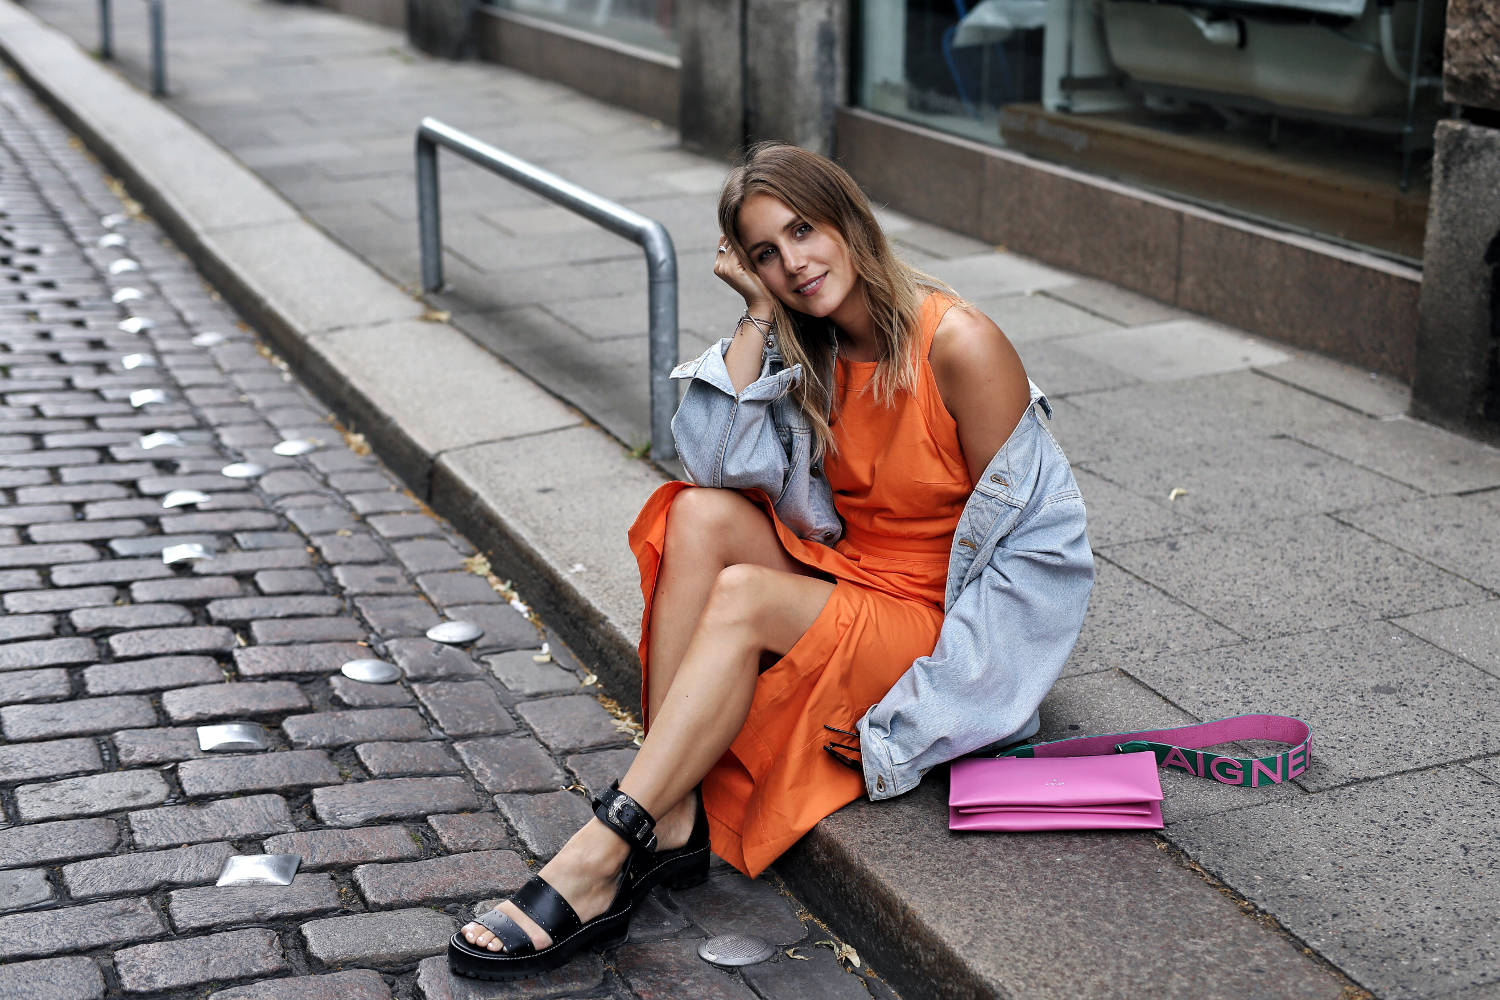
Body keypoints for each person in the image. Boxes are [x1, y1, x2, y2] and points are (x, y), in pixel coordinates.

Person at [448, 142, 1093, 982]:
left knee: (747, 595)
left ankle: (607, 844)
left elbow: (1043, 557)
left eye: (803, 231)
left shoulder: (961, 346)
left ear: (849, 224)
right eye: (764, 253)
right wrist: (755, 312)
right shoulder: (815, 353)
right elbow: (709, 464)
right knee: (698, 516)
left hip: (936, 624)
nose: (793, 262)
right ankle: (669, 805)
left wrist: (947, 708)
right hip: (855, 582)